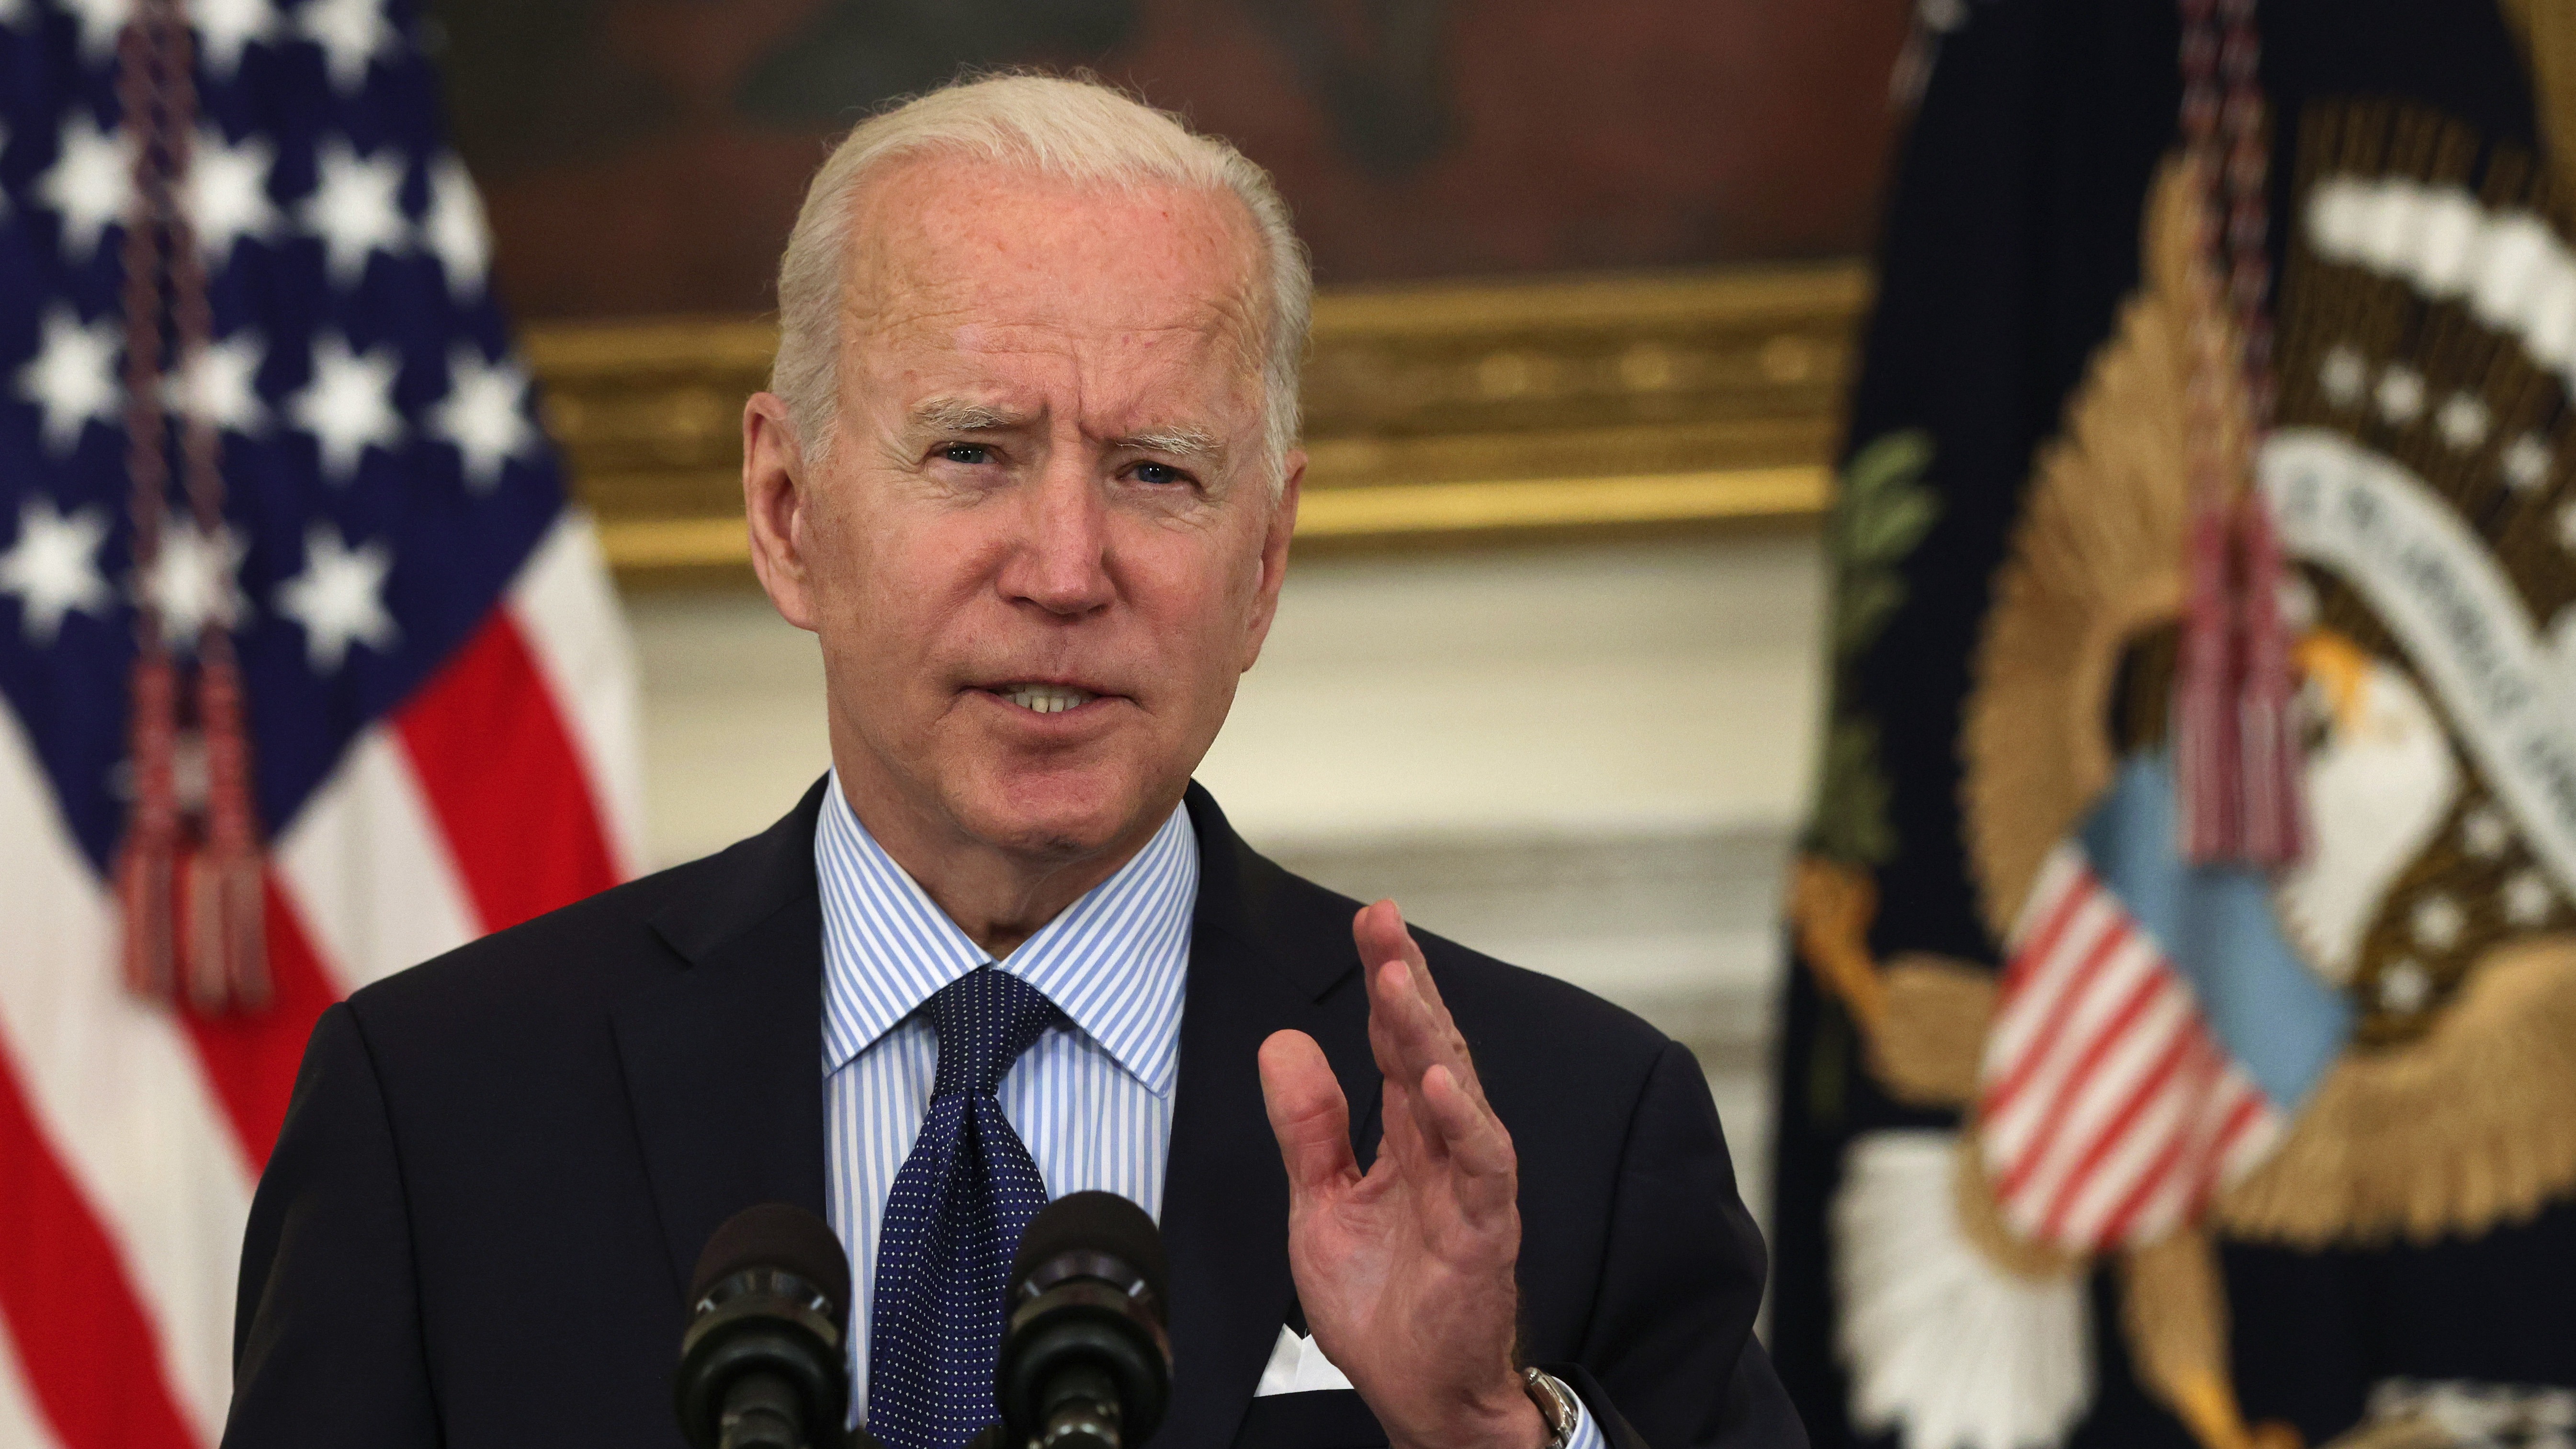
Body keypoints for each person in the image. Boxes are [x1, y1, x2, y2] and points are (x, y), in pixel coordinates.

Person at [222, 74, 1802, 1449]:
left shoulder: (1561, 1123)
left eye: (1155, 470)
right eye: (972, 450)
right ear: (787, 512)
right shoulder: (442, 1116)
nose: (1063, 565)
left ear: (1262, 566)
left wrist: (1480, 1436)